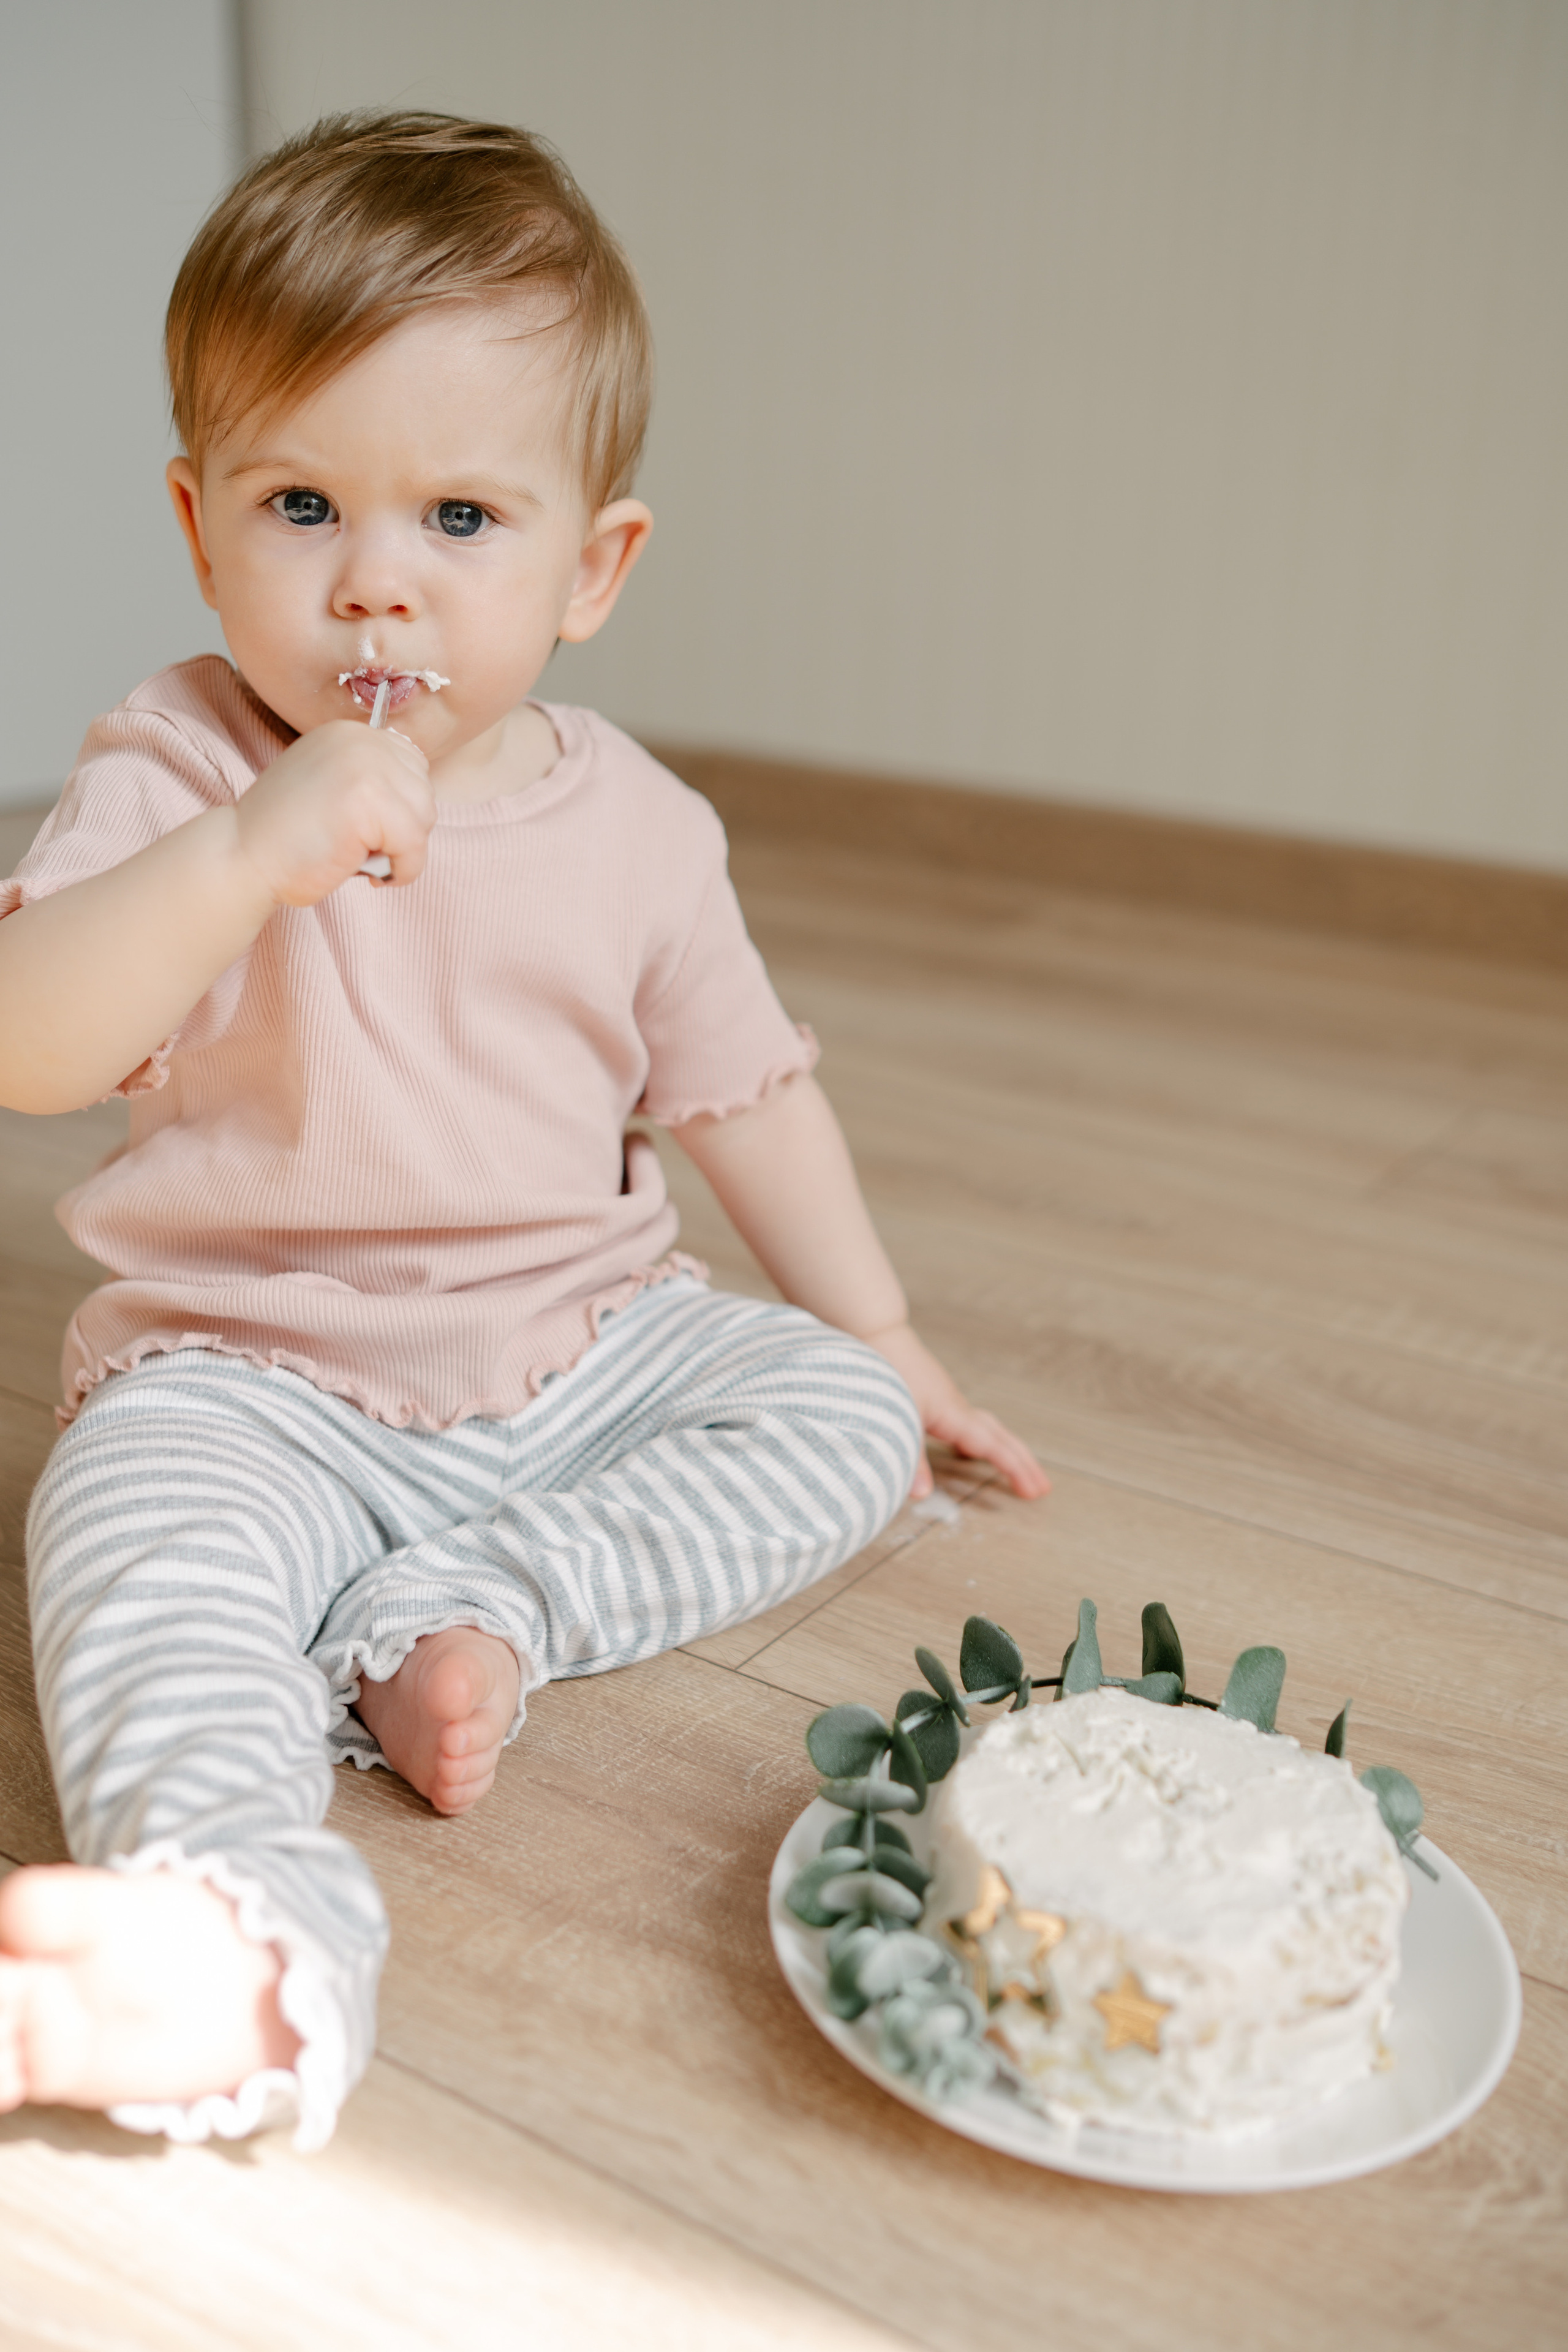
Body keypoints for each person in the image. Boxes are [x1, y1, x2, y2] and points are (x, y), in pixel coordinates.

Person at [0, 113, 1046, 2150]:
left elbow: (744, 1089)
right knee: (133, 1556)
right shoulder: (178, 763)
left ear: (592, 566)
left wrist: (893, 1338)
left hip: (577, 1351)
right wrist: (239, 857)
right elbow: (33, 1048)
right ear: (203, 528)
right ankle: (227, 1943)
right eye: (305, 505)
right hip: (253, 1377)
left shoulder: (640, 829)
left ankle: (479, 1616)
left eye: (461, 521)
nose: (378, 585)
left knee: (830, 1416)